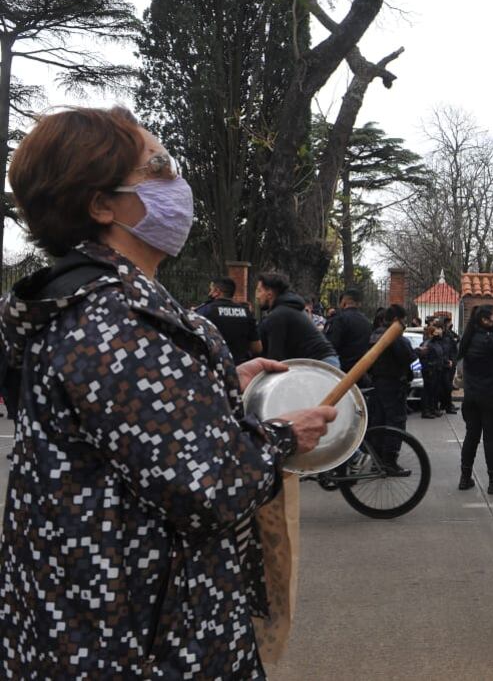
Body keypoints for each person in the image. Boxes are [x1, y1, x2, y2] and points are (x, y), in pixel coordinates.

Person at [0, 106, 337, 677]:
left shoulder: (90, 308)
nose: (177, 183)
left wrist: (214, 385)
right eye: (159, 167)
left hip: (95, 617)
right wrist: (285, 435)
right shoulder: (117, 321)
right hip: (141, 636)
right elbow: (209, 490)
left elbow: (120, 425)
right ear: (102, 204)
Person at [457, 305, 493, 494]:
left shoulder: (470, 339)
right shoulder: (492, 341)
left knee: (471, 437)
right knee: (490, 439)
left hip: (472, 395)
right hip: (492, 396)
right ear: (485, 320)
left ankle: (464, 478)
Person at [368, 304, 418, 473]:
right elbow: (408, 356)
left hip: (378, 382)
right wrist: (418, 353)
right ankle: (389, 460)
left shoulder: (375, 334)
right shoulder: (394, 336)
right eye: (404, 320)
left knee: (379, 420)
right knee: (395, 422)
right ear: (397, 320)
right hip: (394, 383)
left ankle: (377, 460)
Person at [256, 272, 339, 367]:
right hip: (324, 362)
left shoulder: (278, 315)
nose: (257, 296)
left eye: (259, 291)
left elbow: (275, 359)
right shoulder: (289, 309)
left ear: (269, 294)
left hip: (320, 365)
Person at [195, 275, 262, 364]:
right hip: (241, 365)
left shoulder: (204, 311)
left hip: (216, 366)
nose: (209, 293)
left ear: (217, 292)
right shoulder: (246, 312)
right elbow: (257, 348)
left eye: (211, 290)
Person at [324, 288, 373, 374]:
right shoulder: (367, 322)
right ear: (359, 303)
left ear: (344, 302)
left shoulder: (338, 320)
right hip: (360, 372)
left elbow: (330, 346)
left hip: (340, 372)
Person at [416, 324, 445, 418]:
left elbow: (439, 355)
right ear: (431, 334)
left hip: (437, 370)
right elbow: (423, 357)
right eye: (436, 333)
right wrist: (429, 368)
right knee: (428, 391)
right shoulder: (426, 344)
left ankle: (433, 409)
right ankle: (426, 411)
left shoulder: (437, 343)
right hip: (430, 371)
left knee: (435, 391)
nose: (438, 334)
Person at [438, 317, 460, 415]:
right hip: (447, 364)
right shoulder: (444, 336)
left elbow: (457, 338)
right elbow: (445, 350)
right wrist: (447, 361)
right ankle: (447, 405)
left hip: (451, 362)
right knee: (446, 386)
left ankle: (447, 404)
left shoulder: (448, 334)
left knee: (447, 385)